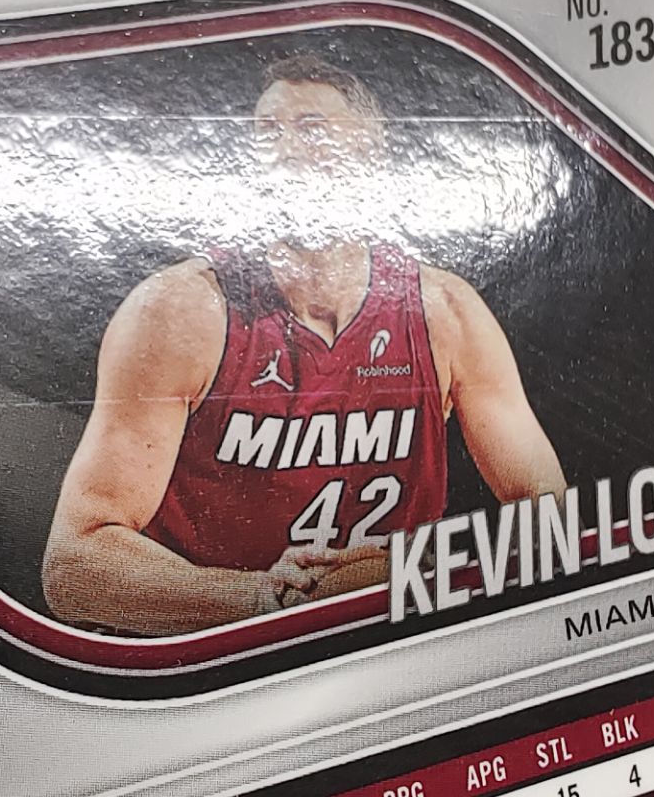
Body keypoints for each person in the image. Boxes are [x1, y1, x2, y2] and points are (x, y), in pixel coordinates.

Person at [43, 53, 564, 635]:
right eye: (268, 133)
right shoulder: (180, 311)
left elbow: (551, 517)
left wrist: (415, 574)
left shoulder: (446, 313)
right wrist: (266, 602)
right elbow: (75, 563)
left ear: (371, 153)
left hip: (391, 643)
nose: (286, 150)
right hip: (218, 654)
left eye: (312, 129)